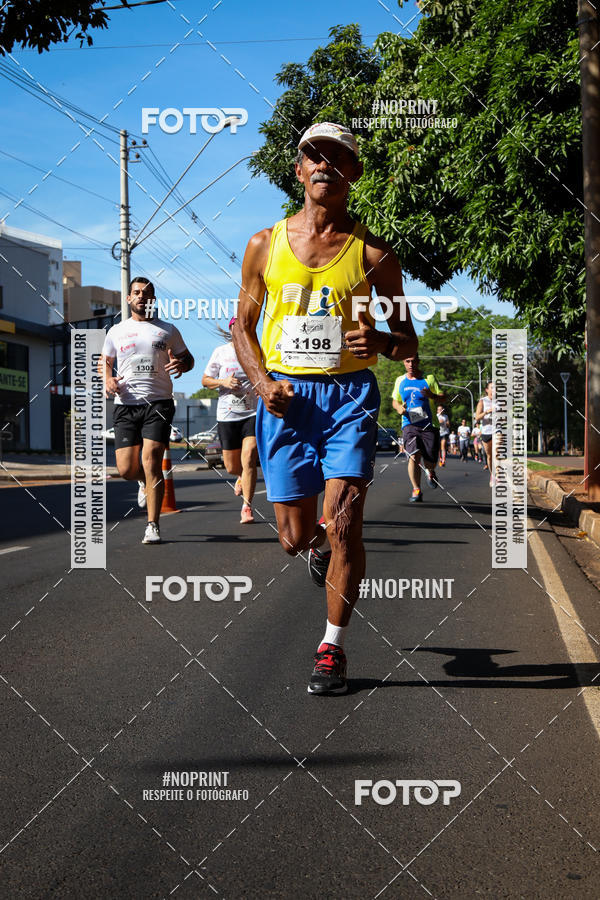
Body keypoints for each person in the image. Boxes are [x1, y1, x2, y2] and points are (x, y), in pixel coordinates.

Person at [232, 121, 417, 695]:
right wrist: (262, 384)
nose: (324, 166)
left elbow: (408, 340)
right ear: (298, 170)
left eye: (337, 159)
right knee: (293, 536)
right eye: (314, 156)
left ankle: (331, 649)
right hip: (284, 401)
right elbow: (243, 326)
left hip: (347, 399)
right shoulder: (264, 244)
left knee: (344, 523)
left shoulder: (375, 257)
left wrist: (383, 344)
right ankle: (312, 548)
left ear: (351, 174)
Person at [100, 277, 194, 544]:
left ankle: (152, 525)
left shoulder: (167, 330)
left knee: (151, 459)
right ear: (129, 298)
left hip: (159, 403)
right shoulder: (116, 331)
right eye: (137, 293)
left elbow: (188, 358)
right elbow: (105, 361)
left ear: (153, 300)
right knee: (127, 469)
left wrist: (182, 365)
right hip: (126, 405)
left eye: (147, 293)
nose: (142, 296)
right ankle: (143, 482)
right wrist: (108, 378)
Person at [202, 318, 258, 523]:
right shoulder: (221, 352)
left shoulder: (256, 350)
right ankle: (240, 477)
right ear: (231, 330)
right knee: (233, 467)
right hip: (227, 416)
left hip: (251, 414)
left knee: (250, 455)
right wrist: (223, 381)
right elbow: (205, 380)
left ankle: (247, 507)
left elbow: (266, 374)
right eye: (237, 327)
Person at [392, 354, 446, 501]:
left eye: (413, 361)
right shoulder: (400, 380)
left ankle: (431, 471)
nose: (410, 364)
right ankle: (416, 489)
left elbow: (444, 397)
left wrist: (432, 395)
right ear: (404, 362)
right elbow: (395, 401)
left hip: (429, 424)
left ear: (418, 362)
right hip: (409, 423)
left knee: (430, 460)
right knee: (413, 455)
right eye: (407, 361)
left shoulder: (429, 379)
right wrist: (399, 409)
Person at [475, 381, 496, 485]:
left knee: (497, 454)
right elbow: (477, 417)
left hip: (498, 430)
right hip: (486, 431)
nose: (494, 390)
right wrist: (487, 412)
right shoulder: (482, 401)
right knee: (489, 456)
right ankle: (493, 475)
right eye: (492, 387)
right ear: (487, 390)